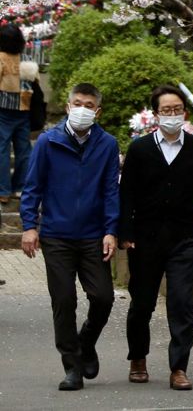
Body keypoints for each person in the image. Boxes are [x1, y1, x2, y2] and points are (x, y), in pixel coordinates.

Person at [118, 84, 193, 391]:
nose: (172, 115)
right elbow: (126, 193)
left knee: (182, 302)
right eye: (166, 110)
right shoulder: (140, 149)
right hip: (145, 238)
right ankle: (138, 358)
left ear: (184, 112)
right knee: (142, 303)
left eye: (177, 110)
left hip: (184, 237)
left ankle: (179, 367)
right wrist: (125, 232)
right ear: (155, 114)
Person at [20, 82, 119, 392]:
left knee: (103, 297)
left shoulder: (107, 144)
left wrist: (111, 230)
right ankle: (72, 366)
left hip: (92, 234)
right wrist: (29, 225)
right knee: (63, 301)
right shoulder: (48, 142)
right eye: (77, 103)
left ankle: (86, 342)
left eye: (89, 105)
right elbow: (32, 185)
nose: (82, 109)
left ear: (97, 111)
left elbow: (111, 190)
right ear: (67, 106)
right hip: (56, 235)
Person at [0, 22, 39, 205]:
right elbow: (36, 82)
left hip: (3, 109)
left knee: (2, 150)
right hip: (24, 109)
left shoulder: (1, 58)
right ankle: (19, 187)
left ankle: (3, 190)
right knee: (24, 151)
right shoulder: (26, 58)